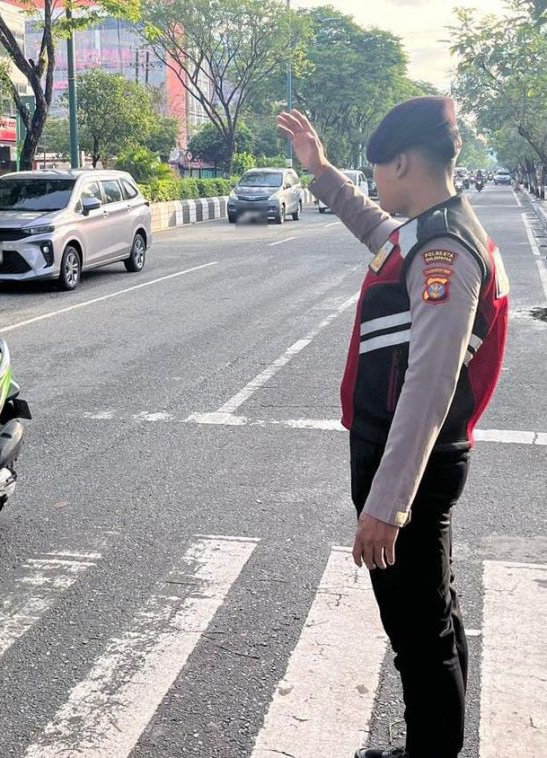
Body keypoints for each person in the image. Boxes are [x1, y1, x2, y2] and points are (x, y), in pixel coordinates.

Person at [278, 98, 509, 758]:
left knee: (417, 633)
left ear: (404, 162)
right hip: (402, 460)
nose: (376, 182)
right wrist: (321, 171)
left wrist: (388, 505)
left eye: (379, 170)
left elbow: (430, 386)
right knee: (432, 614)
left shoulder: (445, 250)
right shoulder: (426, 230)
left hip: (407, 467)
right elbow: (376, 229)